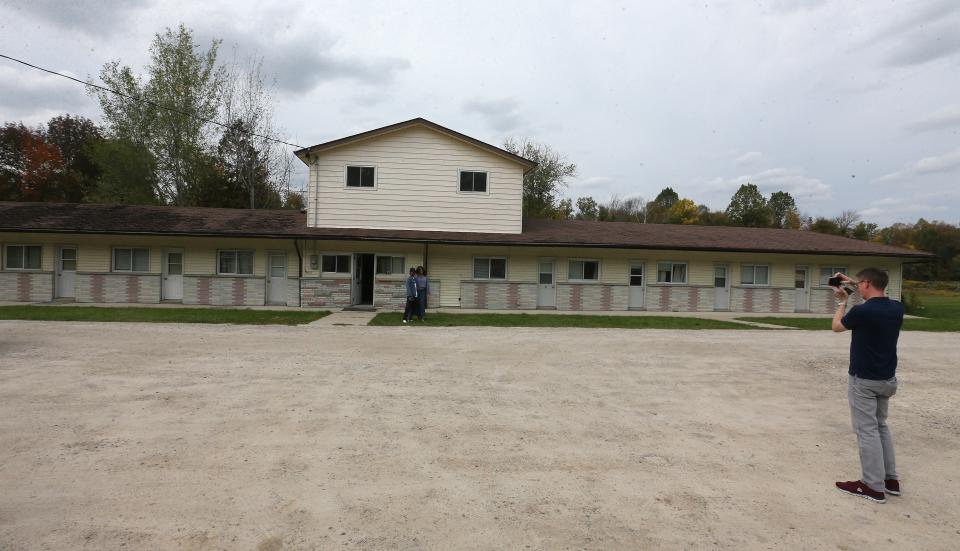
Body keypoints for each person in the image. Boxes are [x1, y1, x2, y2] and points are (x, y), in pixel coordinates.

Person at [831, 268, 904, 504]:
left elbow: (837, 326)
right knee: (881, 426)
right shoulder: (896, 308)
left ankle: (872, 485)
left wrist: (842, 301)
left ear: (866, 284)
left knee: (867, 431)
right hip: (886, 379)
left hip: (864, 380)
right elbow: (875, 292)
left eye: (860, 284)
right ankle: (890, 480)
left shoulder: (863, 311)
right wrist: (854, 282)